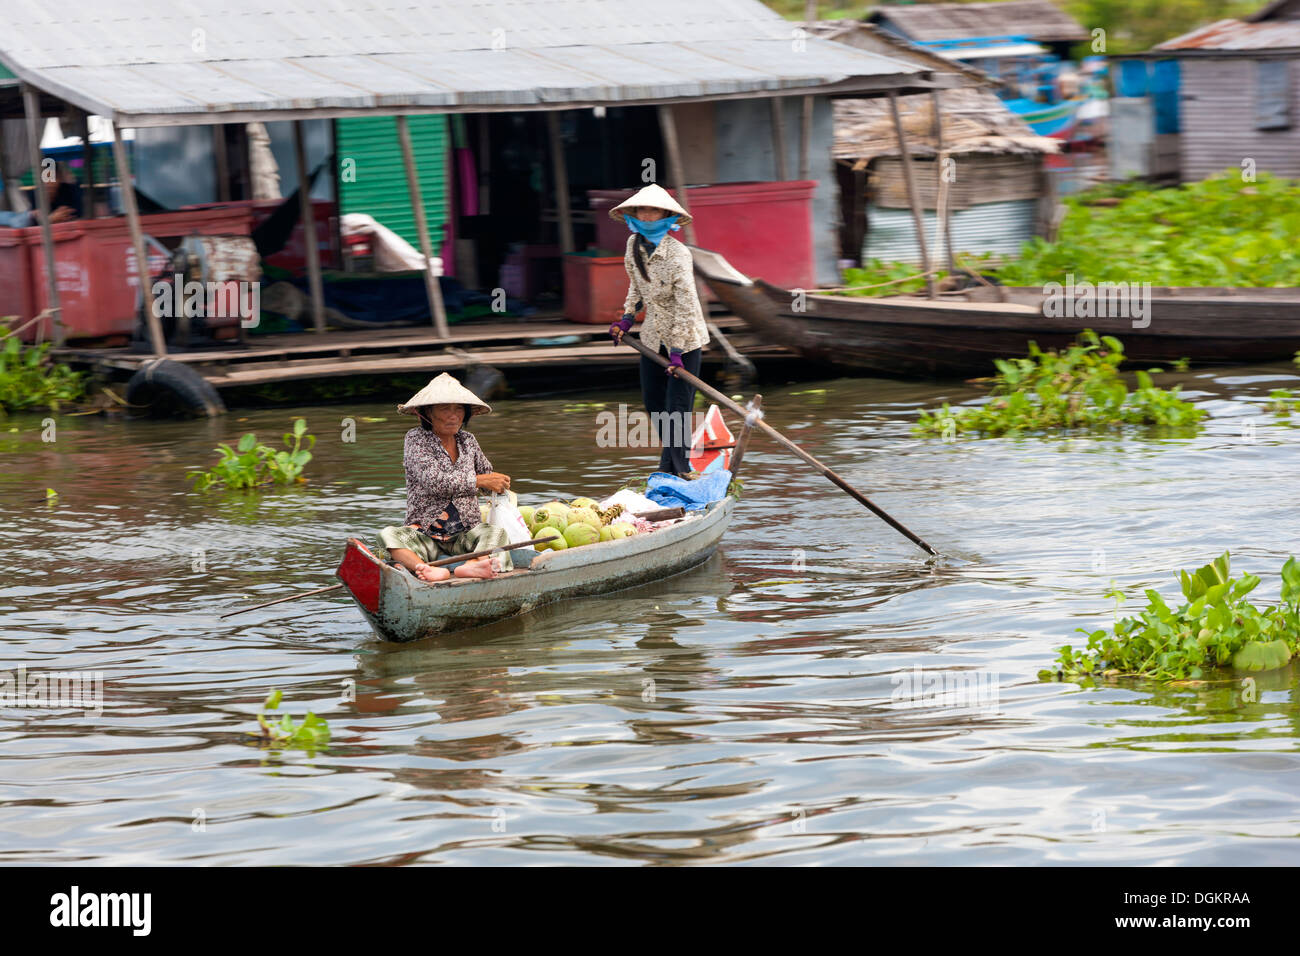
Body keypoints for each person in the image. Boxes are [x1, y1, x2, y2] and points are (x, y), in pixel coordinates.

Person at [607, 184, 709, 477]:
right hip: (652, 335)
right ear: (635, 214)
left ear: (665, 215)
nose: (647, 216)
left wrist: (676, 351)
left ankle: (676, 469)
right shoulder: (633, 245)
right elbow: (636, 286)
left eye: (653, 210)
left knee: (677, 407)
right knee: (654, 403)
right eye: (642, 210)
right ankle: (675, 465)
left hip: (685, 338)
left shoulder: (678, 255)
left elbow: (686, 306)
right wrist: (627, 319)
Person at [378, 373, 514, 583]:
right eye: (444, 409)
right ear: (427, 413)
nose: (453, 415)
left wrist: (497, 484)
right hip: (425, 534)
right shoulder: (416, 440)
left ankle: (472, 565)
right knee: (388, 535)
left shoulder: (468, 440)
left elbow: (486, 476)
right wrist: (479, 481)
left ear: (466, 413)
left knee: (495, 533)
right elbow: (436, 483)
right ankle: (425, 568)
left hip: (464, 534)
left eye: (458, 409)